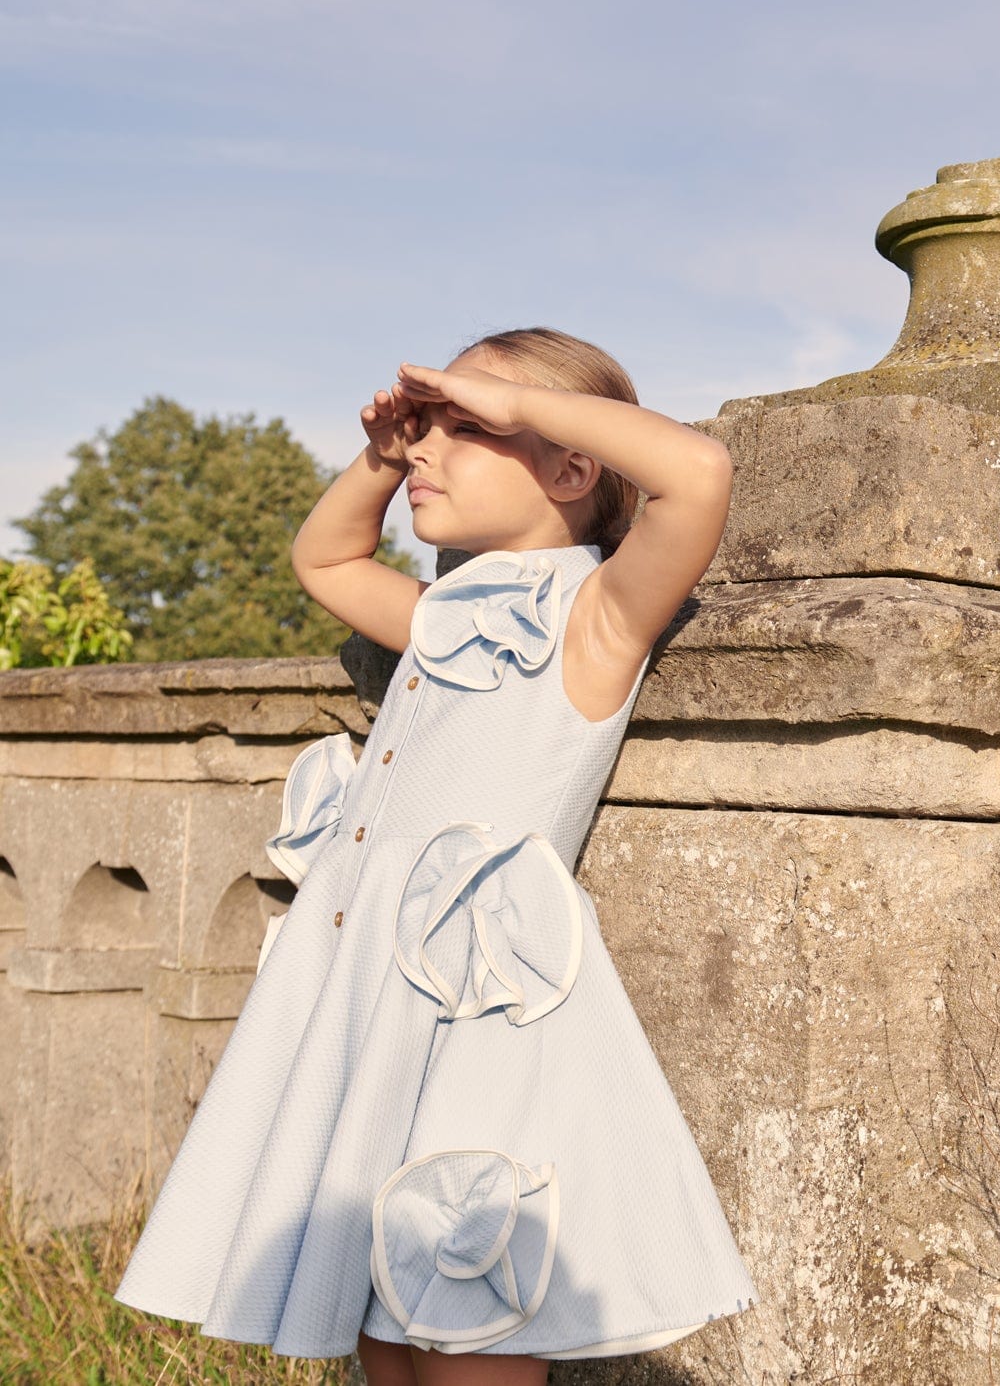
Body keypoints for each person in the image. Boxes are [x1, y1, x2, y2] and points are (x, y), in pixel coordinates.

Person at [112, 326, 758, 1384]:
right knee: (379, 1323)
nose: (426, 451)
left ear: (569, 463)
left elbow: (697, 473)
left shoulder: (586, 621)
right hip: (372, 1010)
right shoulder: (442, 619)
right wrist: (381, 451)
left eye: (465, 431)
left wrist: (509, 401)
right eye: (427, 432)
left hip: (474, 1025)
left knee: (456, 1304)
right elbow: (321, 557)